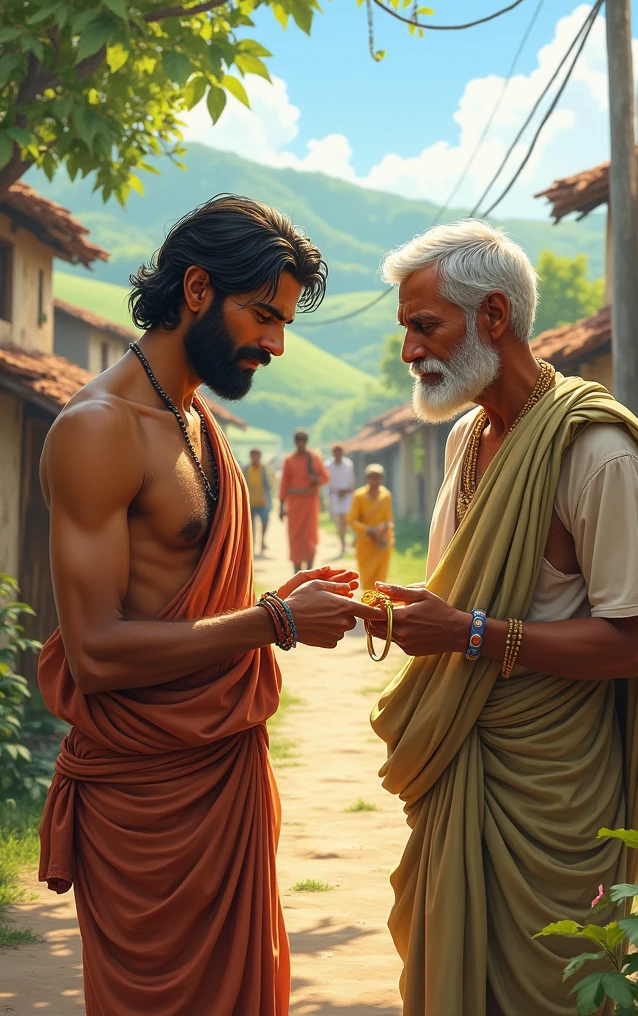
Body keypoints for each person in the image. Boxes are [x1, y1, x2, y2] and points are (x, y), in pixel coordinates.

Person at [36, 195, 377, 1016]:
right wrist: (274, 624)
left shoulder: (195, 419)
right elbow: (97, 652)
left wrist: (275, 602)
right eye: (264, 316)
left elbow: (183, 600)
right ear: (196, 289)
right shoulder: (97, 430)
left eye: (284, 322)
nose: (276, 343)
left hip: (222, 775)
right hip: (145, 811)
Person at [365, 220, 638, 1016]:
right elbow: (472, 591)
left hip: (553, 800)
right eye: (406, 329)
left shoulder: (595, 452)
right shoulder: (468, 435)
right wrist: (416, 617)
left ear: (493, 317)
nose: (409, 351)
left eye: (423, 325)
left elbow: (631, 644)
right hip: (462, 763)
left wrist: (467, 635)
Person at [279, 430, 329, 573]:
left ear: (306, 442)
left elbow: (325, 477)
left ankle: (309, 571)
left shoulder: (314, 458)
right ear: (295, 442)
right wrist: (282, 506)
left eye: (303, 440)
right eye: (298, 440)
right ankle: (297, 572)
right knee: (295, 535)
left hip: (310, 503)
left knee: (310, 536)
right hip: (294, 504)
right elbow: (284, 483)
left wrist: (316, 480)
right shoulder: (289, 460)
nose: (301, 443)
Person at [347, 464, 393, 590]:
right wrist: (368, 530)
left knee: (380, 580)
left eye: (377, 477)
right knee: (366, 580)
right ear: (366, 478)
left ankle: (378, 607)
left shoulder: (386, 495)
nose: (374, 481)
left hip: (381, 541)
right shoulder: (359, 495)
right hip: (365, 542)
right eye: (372, 477)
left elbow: (388, 520)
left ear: (382, 478)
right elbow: (351, 520)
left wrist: (382, 530)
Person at [324, 444, 356, 558]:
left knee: (347, 521)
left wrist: (347, 491)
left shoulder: (348, 464)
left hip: (347, 496)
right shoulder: (328, 465)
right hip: (335, 497)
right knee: (339, 523)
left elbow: (351, 481)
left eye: (339, 452)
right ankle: (342, 544)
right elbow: (326, 482)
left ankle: (347, 543)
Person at [244, 448, 272, 553]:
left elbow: (269, 485)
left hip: (263, 502)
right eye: (253, 456)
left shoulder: (265, 469)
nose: (255, 458)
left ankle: (263, 541)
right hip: (250, 503)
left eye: (257, 456)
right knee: (251, 527)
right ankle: (252, 544)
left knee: (265, 523)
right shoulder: (246, 469)